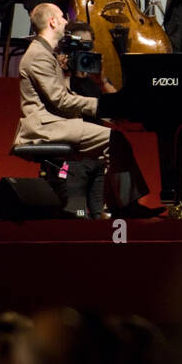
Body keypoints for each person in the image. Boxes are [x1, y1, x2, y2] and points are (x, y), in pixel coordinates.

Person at [13, 4, 161, 218]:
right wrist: (100, 106)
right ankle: (121, 208)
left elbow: (63, 97)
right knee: (114, 140)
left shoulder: (46, 53)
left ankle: (115, 207)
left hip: (56, 123)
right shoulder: (38, 55)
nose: (66, 21)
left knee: (113, 143)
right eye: (62, 17)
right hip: (44, 127)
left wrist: (107, 104)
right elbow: (60, 100)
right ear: (52, 22)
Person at [55, 21, 116, 218]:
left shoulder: (96, 78)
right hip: (73, 157)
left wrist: (102, 81)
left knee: (100, 215)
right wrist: (63, 72)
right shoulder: (59, 75)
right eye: (78, 46)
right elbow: (60, 104)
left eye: (87, 46)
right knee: (78, 214)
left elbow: (118, 111)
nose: (83, 51)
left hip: (98, 159)